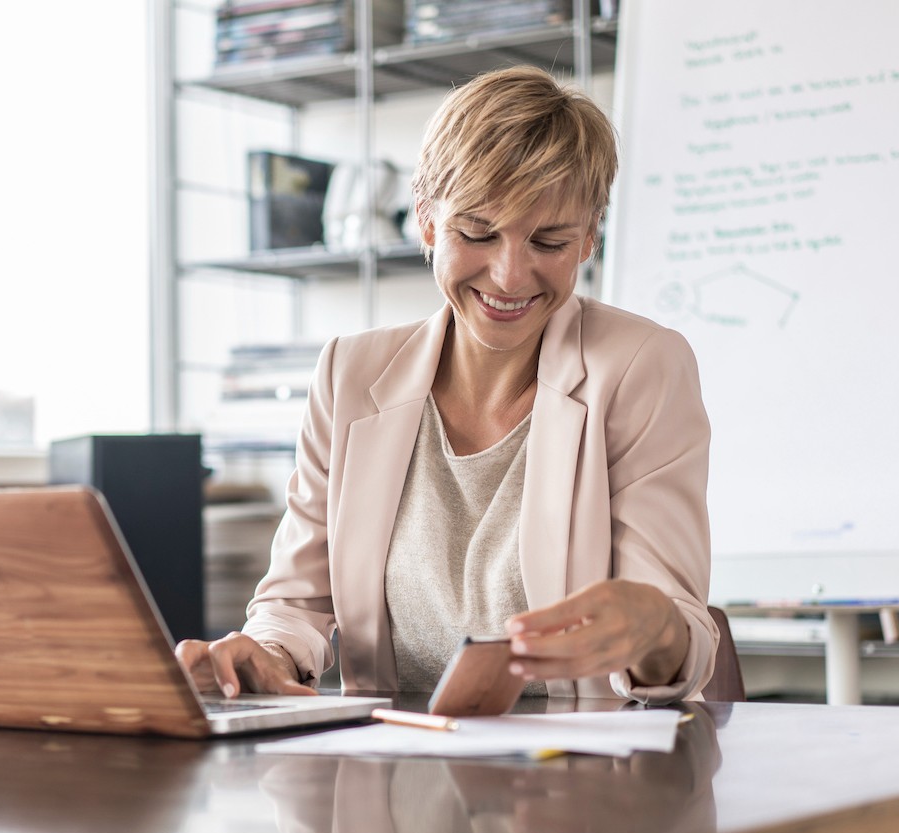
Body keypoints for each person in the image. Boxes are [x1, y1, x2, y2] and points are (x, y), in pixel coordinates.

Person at [176, 65, 716, 703]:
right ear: (428, 223)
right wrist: (262, 653)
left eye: (549, 240)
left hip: (577, 770)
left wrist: (654, 628)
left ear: (590, 236)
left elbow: (677, 631)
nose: (511, 276)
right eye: (477, 233)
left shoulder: (642, 366)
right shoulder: (350, 375)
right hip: (393, 769)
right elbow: (295, 603)